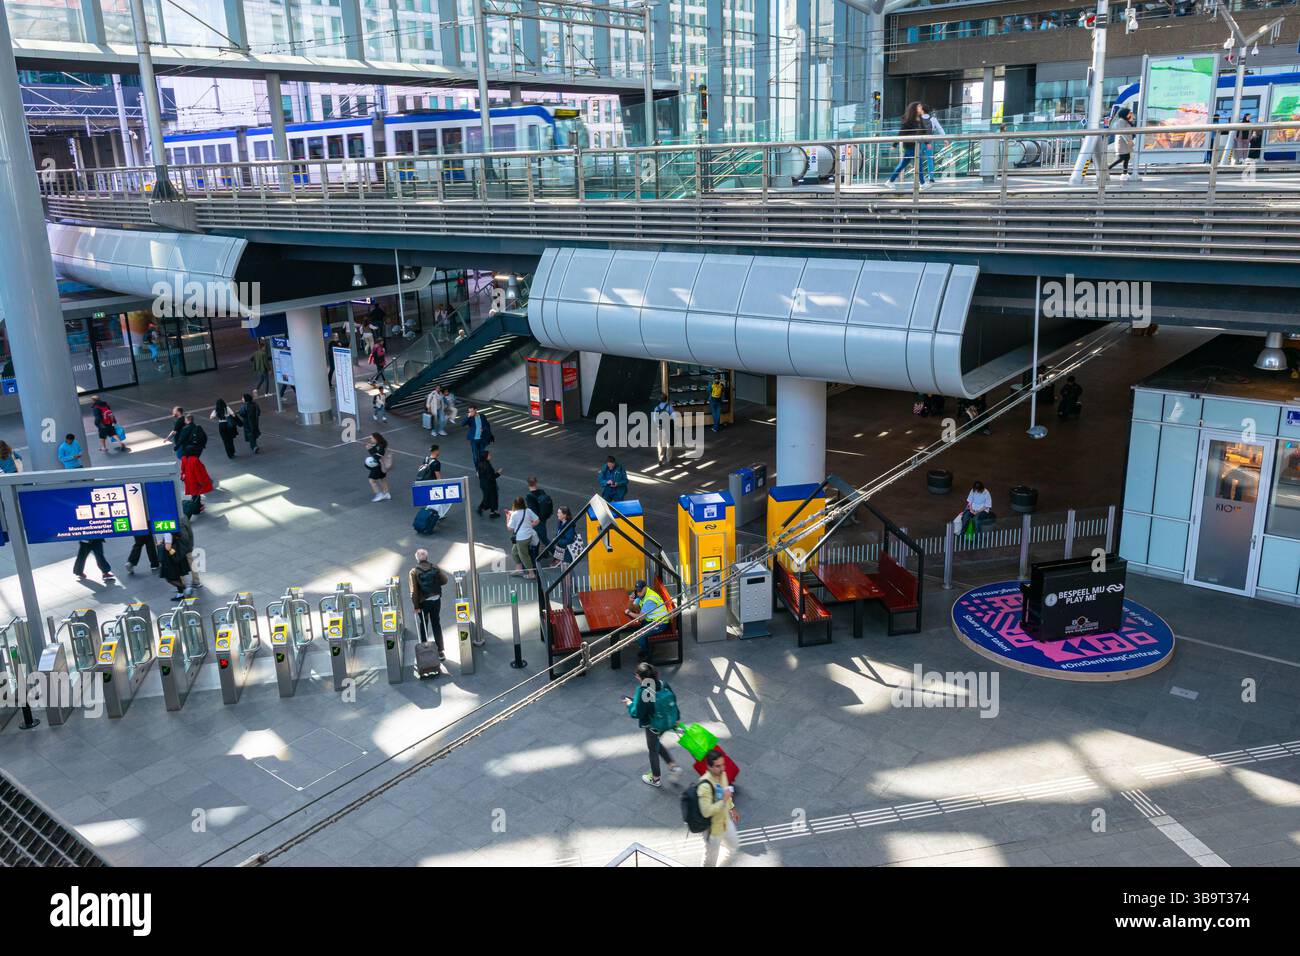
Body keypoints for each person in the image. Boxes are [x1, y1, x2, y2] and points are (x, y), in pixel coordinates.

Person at [622, 661, 683, 788]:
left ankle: (655, 779)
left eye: (637, 675)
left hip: (653, 726)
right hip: (668, 722)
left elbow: (638, 713)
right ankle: (673, 766)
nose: (636, 677)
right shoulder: (663, 684)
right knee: (656, 744)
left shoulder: (645, 691)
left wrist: (629, 704)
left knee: (653, 750)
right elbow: (673, 700)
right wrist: (676, 719)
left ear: (642, 678)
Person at [698, 748, 740, 867]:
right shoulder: (704, 786)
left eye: (723, 765)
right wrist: (724, 801)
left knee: (733, 847)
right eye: (718, 766)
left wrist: (732, 808)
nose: (722, 769)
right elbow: (706, 812)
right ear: (709, 767)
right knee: (710, 860)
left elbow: (725, 791)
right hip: (712, 829)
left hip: (725, 821)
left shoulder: (723, 775)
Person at [409, 548, 448, 660]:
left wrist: (416, 606)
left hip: (423, 603)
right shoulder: (434, 567)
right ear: (427, 557)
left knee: (424, 625)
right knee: (436, 623)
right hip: (436, 600)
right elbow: (445, 580)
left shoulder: (414, 571)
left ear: (417, 559)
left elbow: (413, 592)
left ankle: (425, 652)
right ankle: (440, 652)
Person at [626, 579, 669, 661]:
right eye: (637, 591)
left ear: (645, 588)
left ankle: (648, 655)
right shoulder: (641, 594)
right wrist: (630, 601)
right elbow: (633, 608)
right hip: (651, 620)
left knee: (639, 636)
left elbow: (640, 617)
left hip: (660, 623)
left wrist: (628, 613)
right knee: (637, 630)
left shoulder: (650, 599)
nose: (638, 593)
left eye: (640, 591)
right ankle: (645, 648)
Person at [886, 102, 928, 186]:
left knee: (902, 165)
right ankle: (922, 183)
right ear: (914, 109)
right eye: (919, 107)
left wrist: (927, 142)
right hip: (910, 145)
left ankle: (890, 181)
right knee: (918, 164)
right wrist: (895, 144)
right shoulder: (908, 120)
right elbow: (901, 133)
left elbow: (923, 132)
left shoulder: (919, 119)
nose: (921, 108)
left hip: (916, 145)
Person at [506, 496, 539, 578]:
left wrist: (508, 518)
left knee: (524, 556)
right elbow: (537, 520)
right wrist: (529, 526)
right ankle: (519, 569)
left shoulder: (514, 514)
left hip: (521, 539)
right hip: (528, 536)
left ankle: (531, 574)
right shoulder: (528, 511)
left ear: (515, 504)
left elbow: (509, 528)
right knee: (514, 552)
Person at [180, 439, 213, 516]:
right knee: (197, 494)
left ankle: (197, 507)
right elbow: (197, 472)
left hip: (188, 479)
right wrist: (201, 482)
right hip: (195, 480)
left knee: (193, 493)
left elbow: (182, 469)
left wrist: (182, 477)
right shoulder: (195, 460)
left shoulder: (184, 458)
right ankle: (196, 508)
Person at [158, 532, 192, 599]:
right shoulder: (174, 530)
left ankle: (186, 588)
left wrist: (161, 545)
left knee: (169, 578)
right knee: (176, 576)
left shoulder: (167, 533)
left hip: (170, 559)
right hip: (176, 557)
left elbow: (168, 547)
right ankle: (180, 594)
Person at [525, 476, 554, 547]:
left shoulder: (529, 496)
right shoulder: (542, 492)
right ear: (536, 483)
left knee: (544, 538)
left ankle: (556, 554)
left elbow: (532, 510)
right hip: (544, 516)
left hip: (537, 520)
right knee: (540, 536)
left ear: (528, 484)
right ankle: (545, 553)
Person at [920, 104, 944, 186]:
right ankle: (931, 178)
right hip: (929, 143)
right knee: (930, 160)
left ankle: (920, 178)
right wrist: (945, 138)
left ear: (922, 110)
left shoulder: (918, 119)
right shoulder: (933, 119)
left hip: (919, 143)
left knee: (918, 160)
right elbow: (940, 129)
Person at [364, 432, 391, 501]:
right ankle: (386, 494)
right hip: (382, 465)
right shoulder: (379, 445)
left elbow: (376, 457)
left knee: (372, 480)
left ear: (376, 438)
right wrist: (371, 447)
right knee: (382, 479)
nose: (370, 439)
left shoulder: (380, 446)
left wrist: (369, 449)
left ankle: (379, 494)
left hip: (378, 466)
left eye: (371, 438)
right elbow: (376, 452)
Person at [1108, 108, 1134, 176]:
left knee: (1127, 157)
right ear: (1125, 113)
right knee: (1121, 158)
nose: (1131, 114)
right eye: (1129, 113)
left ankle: (1125, 173)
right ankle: (1108, 168)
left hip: (1126, 142)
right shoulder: (1121, 121)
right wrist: (1128, 141)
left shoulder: (1126, 120)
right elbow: (1122, 132)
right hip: (1122, 142)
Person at [476, 449, 501, 519]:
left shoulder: (480, 464)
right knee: (493, 498)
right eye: (489, 455)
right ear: (486, 456)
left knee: (487, 497)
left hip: (483, 484)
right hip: (490, 485)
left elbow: (479, 474)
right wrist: (498, 473)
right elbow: (492, 477)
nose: (490, 455)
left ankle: (482, 508)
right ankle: (492, 512)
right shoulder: (488, 466)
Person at [652, 393, 675, 465]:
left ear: (660, 400)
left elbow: (655, 419)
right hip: (668, 427)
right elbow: (674, 417)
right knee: (669, 442)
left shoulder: (656, 408)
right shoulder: (669, 407)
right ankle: (669, 458)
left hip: (660, 427)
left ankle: (660, 458)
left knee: (660, 443)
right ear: (666, 399)